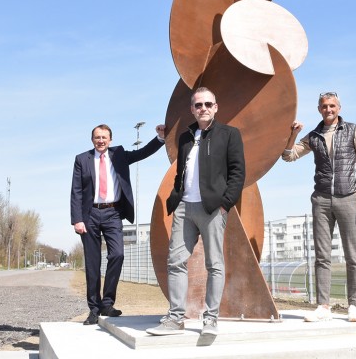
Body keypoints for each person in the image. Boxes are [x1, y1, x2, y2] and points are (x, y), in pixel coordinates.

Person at [147, 87, 245, 337]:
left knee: (215, 264)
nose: (203, 109)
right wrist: (176, 197)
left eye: (208, 104)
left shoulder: (229, 134)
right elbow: (182, 172)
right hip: (184, 208)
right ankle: (175, 318)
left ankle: (210, 319)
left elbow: (237, 173)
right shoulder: (185, 136)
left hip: (213, 209)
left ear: (216, 107)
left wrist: (225, 204)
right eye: (198, 105)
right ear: (192, 109)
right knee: (175, 261)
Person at [281, 91, 356, 322]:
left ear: (339, 108)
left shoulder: (352, 130)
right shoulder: (314, 136)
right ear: (319, 109)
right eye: (324, 106)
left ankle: (355, 305)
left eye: (332, 106)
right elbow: (288, 156)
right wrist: (293, 135)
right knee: (322, 256)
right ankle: (323, 306)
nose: (328, 110)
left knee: (352, 255)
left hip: (348, 196)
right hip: (321, 199)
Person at [70, 123, 166, 325]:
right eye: (97, 137)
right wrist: (77, 219)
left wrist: (160, 139)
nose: (101, 140)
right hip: (90, 215)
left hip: (113, 213)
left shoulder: (119, 154)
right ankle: (94, 309)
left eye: (104, 137)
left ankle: (107, 303)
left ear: (110, 140)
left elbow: (142, 153)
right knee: (92, 264)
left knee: (118, 254)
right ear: (92, 140)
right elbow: (76, 190)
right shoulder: (82, 160)